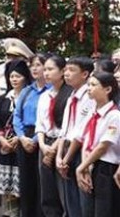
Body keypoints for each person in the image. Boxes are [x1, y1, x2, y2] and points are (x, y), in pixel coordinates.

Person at [74, 71, 120, 217]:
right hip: (92, 164)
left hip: (106, 168)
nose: (89, 88)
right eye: (88, 85)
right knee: (89, 210)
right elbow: (86, 140)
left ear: (107, 89)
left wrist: (81, 167)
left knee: (104, 210)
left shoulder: (114, 116)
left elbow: (103, 146)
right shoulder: (92, 112)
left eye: (93, 85)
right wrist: (85, 165)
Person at [56, 57, 96, 217]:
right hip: (66, 149)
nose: (66, 74)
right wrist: (59, 156)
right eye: (65, 70)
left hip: (80, 151)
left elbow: (81, 131)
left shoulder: (89, 96)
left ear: (85, 74)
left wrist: (66, 158)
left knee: (83, 199)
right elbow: (64, 129)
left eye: (72, 70)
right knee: (69, 199)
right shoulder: (71, 95)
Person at [0, 59, 31, 217]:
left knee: (22, 186)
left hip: (22, 148)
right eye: (11, 76)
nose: (14, 79)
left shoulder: (30, 96)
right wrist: (2, 139)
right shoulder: (4, 98)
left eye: (18, 76)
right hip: (4, 149)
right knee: (6, 189)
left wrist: (18, 139)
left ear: (25, 77)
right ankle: (9, 214)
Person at [13, 53, 50, 217]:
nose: (34, 68)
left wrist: (34, 140)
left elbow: (49, 120)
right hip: (24, 136)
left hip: (42, 137)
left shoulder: (51, 92)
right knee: (26, 180)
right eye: (32, 65)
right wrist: (21, 137)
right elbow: (17, 116)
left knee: (41, 181)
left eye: (38, 65)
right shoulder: (27, 91)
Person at [35, 55, 72, 217]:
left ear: (62, 71)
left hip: (63, 145)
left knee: (63, 190)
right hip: (45, 144)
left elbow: (68, 126)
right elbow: (40, 124)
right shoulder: (44, 96)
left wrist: (53, 151)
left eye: (50, 69)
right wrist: (43, 146)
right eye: (45, 70)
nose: (46, 73)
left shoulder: (70, 95)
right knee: (47, 190)